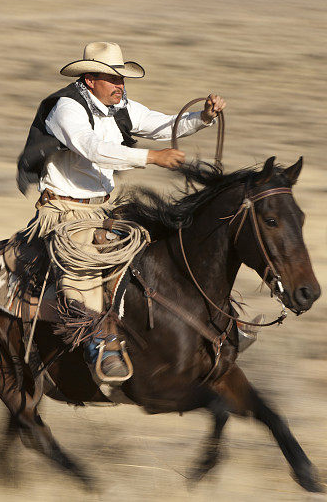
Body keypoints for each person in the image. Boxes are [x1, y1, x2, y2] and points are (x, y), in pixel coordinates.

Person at [16, 41, 226, 379]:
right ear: (89, 80)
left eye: (122, 79)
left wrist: (202, 118)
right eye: (112, 79)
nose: (120, 86)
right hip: (65, 213)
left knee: (159, 248)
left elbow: (161, 124)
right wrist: (151, 157)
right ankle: (99, 343)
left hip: (105, 209)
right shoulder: (66, 109)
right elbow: (93, 149)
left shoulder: (119, 106)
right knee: (82, 267)